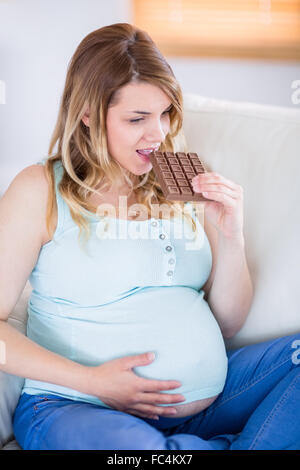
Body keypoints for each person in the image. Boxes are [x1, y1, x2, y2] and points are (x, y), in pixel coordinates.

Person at [0, 23, 299, 450]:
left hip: (208, 405)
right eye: (137, 118)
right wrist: (91, 380)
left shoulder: (182, 179)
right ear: (87, 114)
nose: (158, 134)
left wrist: (230, 235)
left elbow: (229, 321)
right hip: (79, 406)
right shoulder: (41, 189)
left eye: (164, 114)